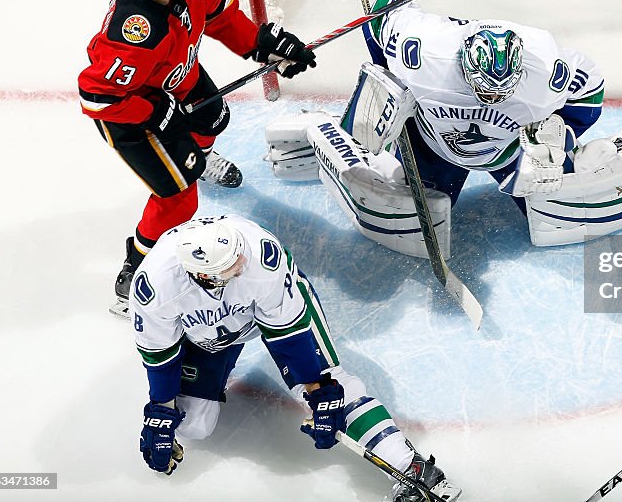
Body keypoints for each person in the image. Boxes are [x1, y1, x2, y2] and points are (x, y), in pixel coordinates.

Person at [263, 0, 622, 254]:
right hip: (431, 142)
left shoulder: (543, 65)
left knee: (563, 209)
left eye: (501, 91)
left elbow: (590, 91)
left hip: (510, 152)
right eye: (483, 88)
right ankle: (315, 132)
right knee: (416, 207)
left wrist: (560, 131)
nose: (492, 97)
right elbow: (381, 13)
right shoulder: (425, 50)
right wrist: (386, 75)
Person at [129, 214, 461, 502]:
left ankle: (412, 466)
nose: (242, 262)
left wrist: (319, 390)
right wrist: (161, 413)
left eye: (238, 255)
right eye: (232, 266)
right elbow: (160, 357)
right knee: (193, 426)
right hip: (208, 335)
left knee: (335, 389)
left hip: (274, 310)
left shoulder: (259, 255)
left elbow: (289, 331)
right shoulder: (155, 287)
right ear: (205, 276)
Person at [77, 0, 316, 315]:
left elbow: (217, 11)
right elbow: (98, 97)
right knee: (178, 199)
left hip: (172, 74)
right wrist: (156, 113)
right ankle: (136, 273)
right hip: (133, 116)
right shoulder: (136, 33)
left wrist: (261, 43)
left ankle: (194, 160)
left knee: (213, 117)